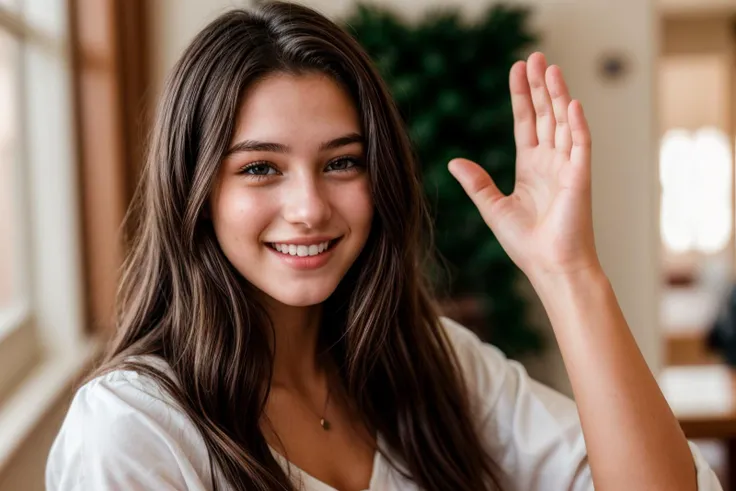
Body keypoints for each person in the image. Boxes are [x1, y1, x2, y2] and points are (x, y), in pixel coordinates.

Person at [45, 2, 722, 490]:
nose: (309, 208)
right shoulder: (130, 429)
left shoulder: (434, 360)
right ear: (193, 191)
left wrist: (568, 271)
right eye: (259, 168)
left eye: (343, 162)